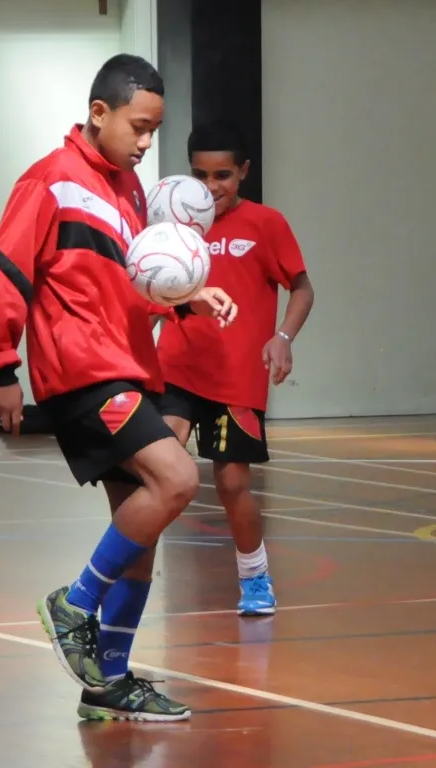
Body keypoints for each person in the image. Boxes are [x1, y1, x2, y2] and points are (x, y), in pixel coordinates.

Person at [0, 54, 237, 721]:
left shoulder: (126, 194)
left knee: (142, 536)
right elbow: (2, 270)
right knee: (176, 479)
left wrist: (184, 299)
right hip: (83, 373)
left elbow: (127, 287)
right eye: (139, 127)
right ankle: (74, 604)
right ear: (100, 113)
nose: (147, 143)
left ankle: (107, 683)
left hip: (125, 366)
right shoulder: (49, 182)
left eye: (154, 131)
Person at [156, 119, 314, 616]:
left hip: (236, 378)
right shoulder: (175, 226)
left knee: (232, 484)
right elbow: (154, 288)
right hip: (177, 368)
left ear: (243, 172)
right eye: (200, 175)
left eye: (222, 175)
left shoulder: (267, 224)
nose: (210, 188)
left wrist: (282, 338)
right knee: (158, 473)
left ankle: (255, 576)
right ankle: (123, 571)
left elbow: (303, 288)